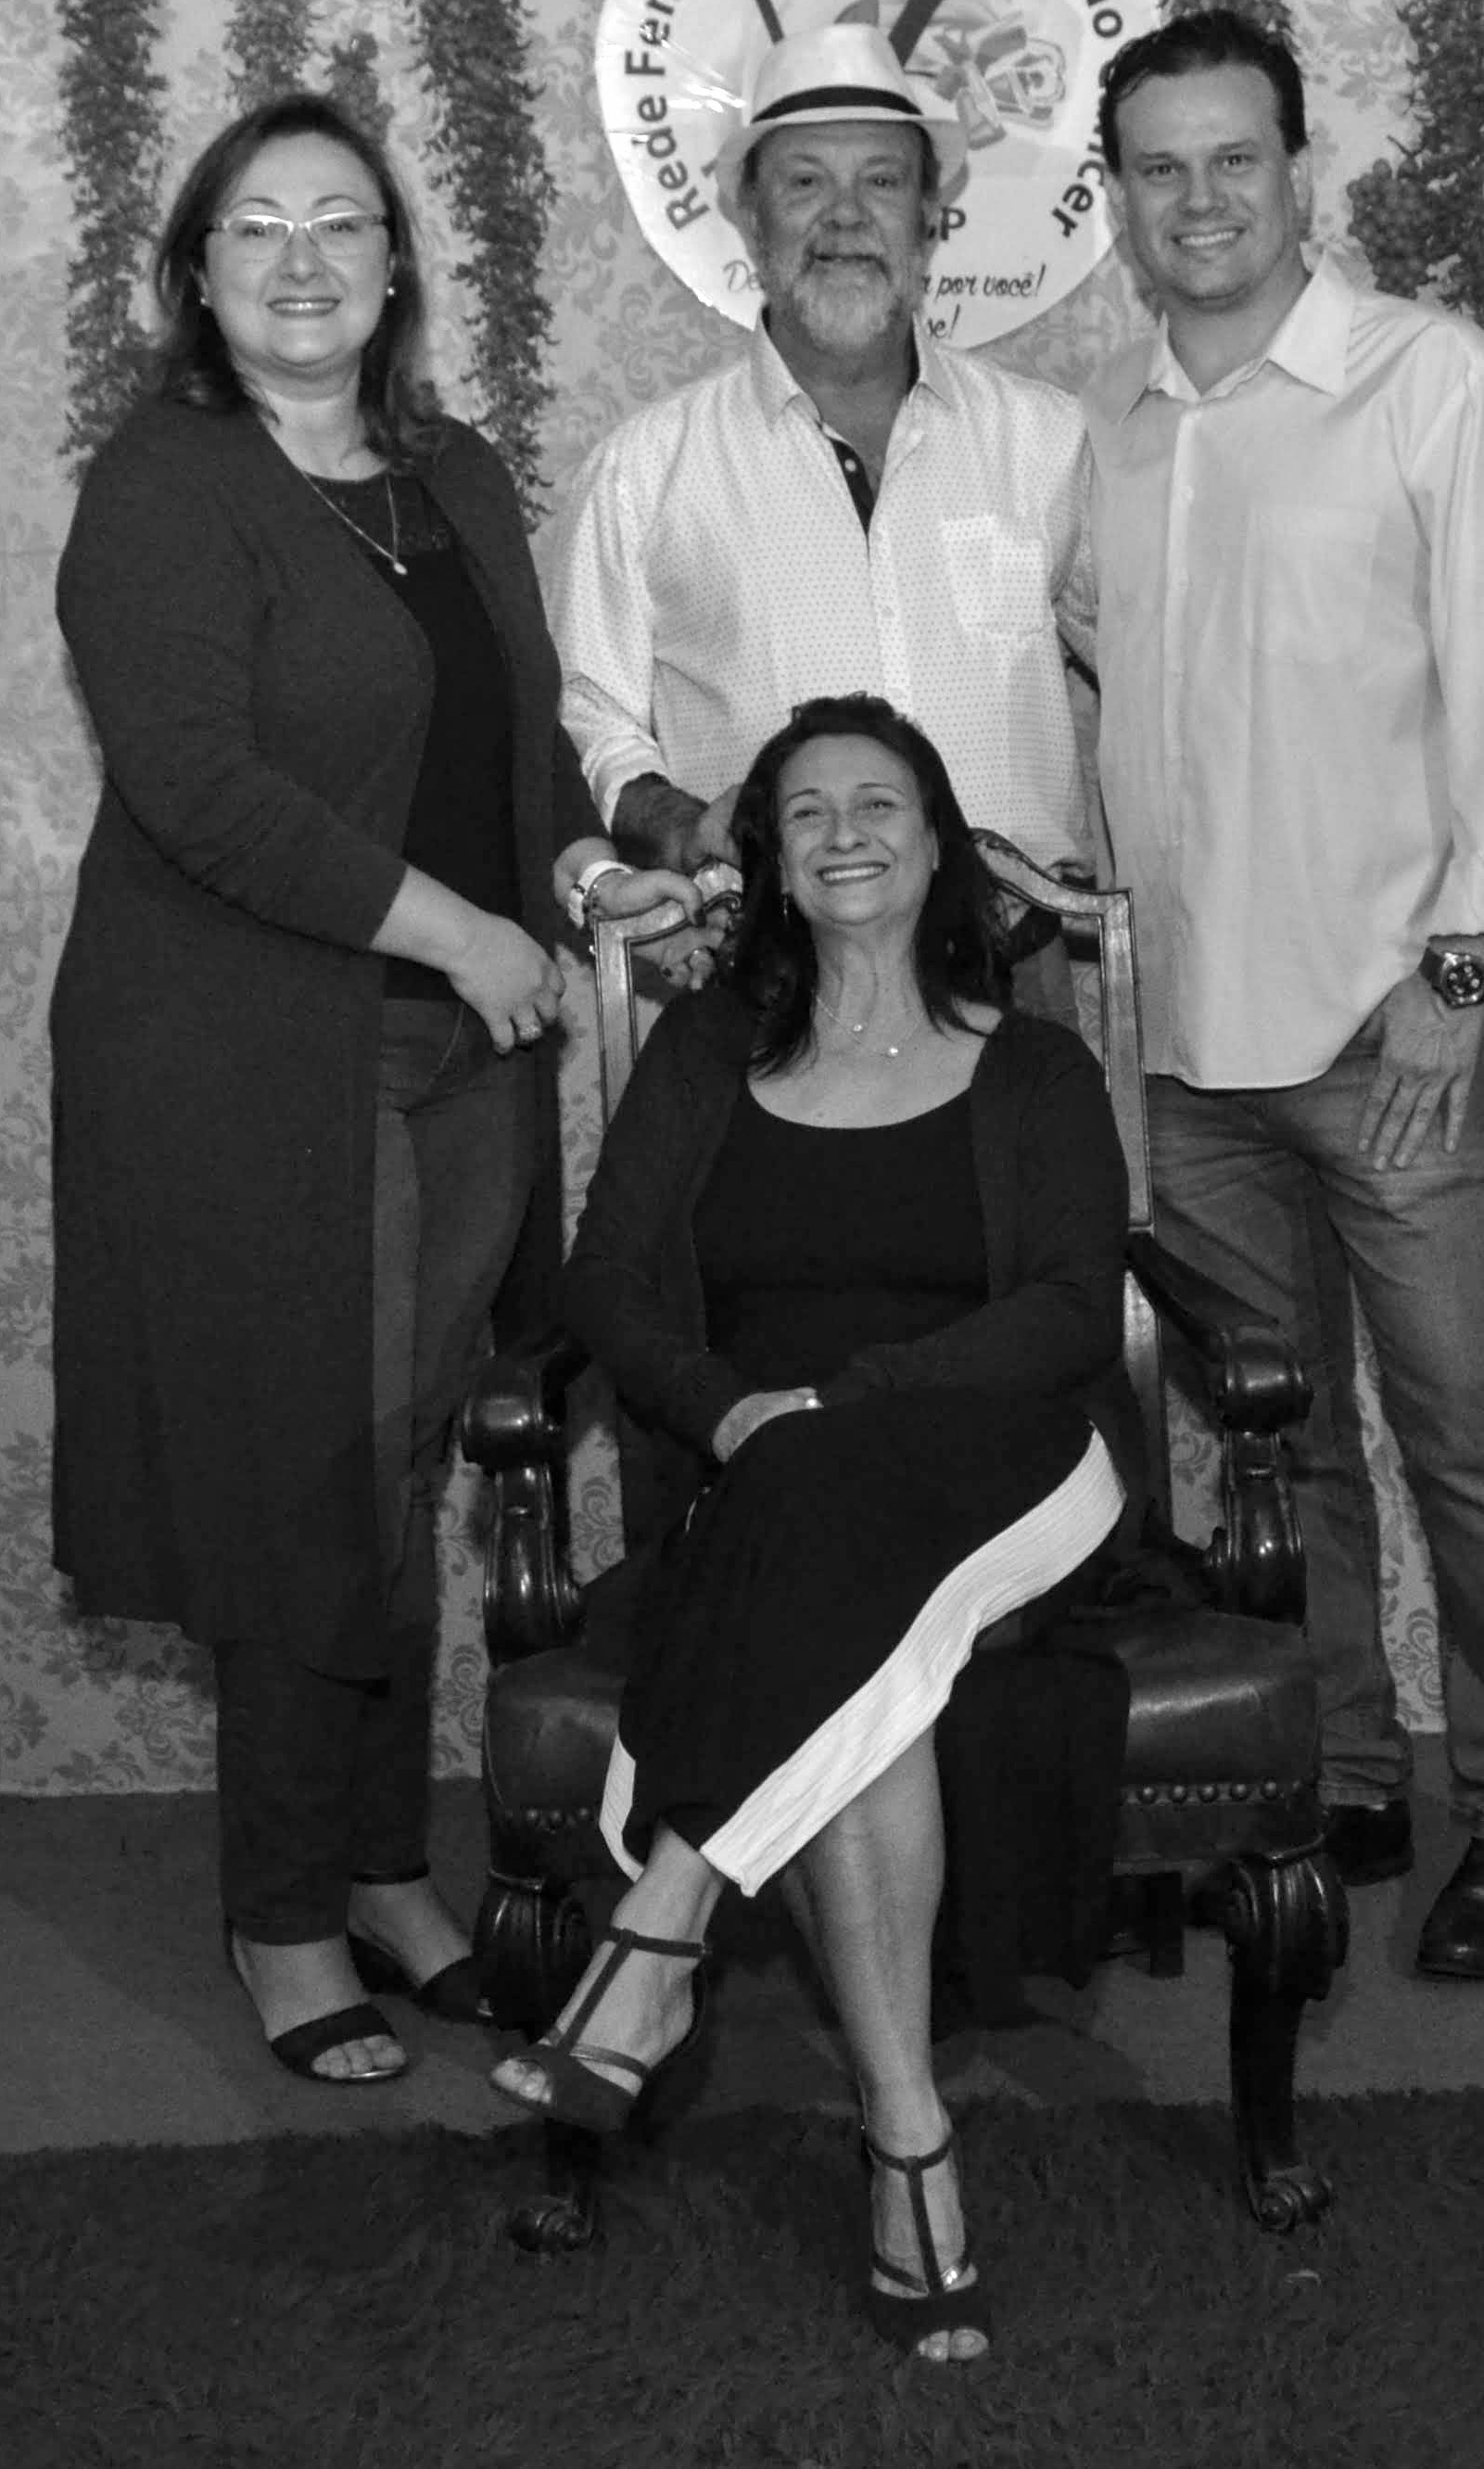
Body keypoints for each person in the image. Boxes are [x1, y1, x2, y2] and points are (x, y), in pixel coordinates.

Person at [50, 92, 696, 2084]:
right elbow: (203, 790)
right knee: (305, 1470)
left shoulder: (452, 471)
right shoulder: (164, 485)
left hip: (462, 1047)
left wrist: (579, 871)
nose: (303, 260)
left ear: (397, 263)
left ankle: (385, 1867)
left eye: (341, 222)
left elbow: (515, 744)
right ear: (196, 274)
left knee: (409, 1460)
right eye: (256, 228)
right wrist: (469, 936)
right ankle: (279, 1912)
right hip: (255, 1056)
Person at [488, 696, 1132, 2361]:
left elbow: (1073, 1307)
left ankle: (657, 1934)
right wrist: (725, 1413)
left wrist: (845, 1398)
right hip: (768, 1489)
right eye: (806, 811)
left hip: (1004, 1472)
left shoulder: (1033, 1065)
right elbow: (604, 1284)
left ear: (937, 841)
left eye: (880, 802)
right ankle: (908, 2135)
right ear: (768, 858)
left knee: (821, 1496)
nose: (844, 832)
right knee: (844, 1623)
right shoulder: (709, 1054)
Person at [1069, 10, 1484, 1981]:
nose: (1199, 198)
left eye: (1234, 158)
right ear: (1117, 200)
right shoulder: (1115, 429)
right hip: (1185, 1052)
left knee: (1465, 1428)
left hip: (1396, 1027)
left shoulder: (1428, 385)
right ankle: (1350, 1772)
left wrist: (1466, 967)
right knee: (1277, 1449)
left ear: (1301, 170)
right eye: (1159, 168)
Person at [542, 24, 1093, 948]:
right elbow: (583, 717)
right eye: (805, 183)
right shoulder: (643, 473)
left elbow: (1155, 673)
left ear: (930, 218)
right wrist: (686, 826)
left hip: (1015, 962)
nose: (845, 216)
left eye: (881, 181)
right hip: (766, 971)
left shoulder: (1048, 441)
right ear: (753, 222)